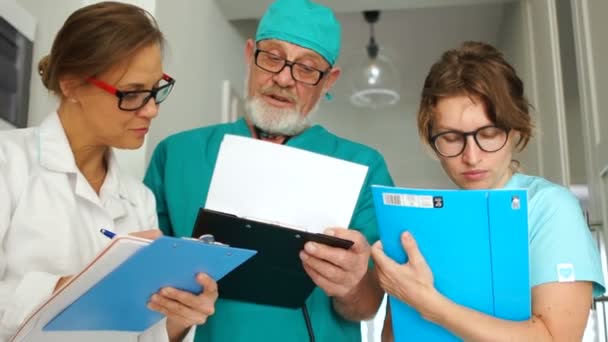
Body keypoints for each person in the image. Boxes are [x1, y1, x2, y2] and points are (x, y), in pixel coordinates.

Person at [143, 0, 393, 340]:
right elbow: (145, 295)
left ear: (329, 80)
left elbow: (367, 306)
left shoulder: (363, 168)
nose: (284, 78)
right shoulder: (177, 156)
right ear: (250, 54)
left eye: (306, 68)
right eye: (273, 57)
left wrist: (351, 286)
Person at [0, 2, 218, 341]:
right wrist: (83, 286)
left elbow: (145, 335)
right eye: (131, 94)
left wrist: (179, 316)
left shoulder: (139, 200)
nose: (151, 110)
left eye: (157, 89)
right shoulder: (7, 163)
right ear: (71, 85)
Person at [371, 41, 605, 341]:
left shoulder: (549, 208)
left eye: (489, 134)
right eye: (452, 138)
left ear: (516, 129)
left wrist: (431, 305)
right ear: (432, 138)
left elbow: (557, 338)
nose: (471, 156)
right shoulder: (424, 222)